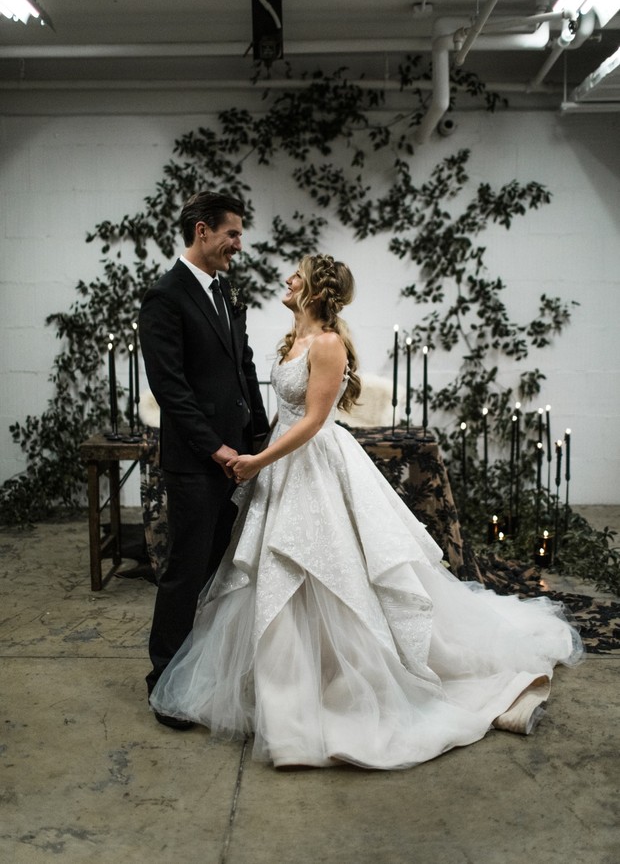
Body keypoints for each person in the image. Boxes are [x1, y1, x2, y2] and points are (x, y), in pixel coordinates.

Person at [150, 253, 582, 768]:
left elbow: (312, 422)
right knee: (271, 573)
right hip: (279, 466)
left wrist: (257, 459)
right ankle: (281, 688)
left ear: (313, 289)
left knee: (328, 568)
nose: (287, 280)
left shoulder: (329, 344)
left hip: (311, 464)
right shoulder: (293, 340)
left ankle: (340, 685)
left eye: (297, 275)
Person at [139, 190, 269, 727]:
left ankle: (204, 668)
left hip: (239, 453)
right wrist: (215, 449)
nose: (239, 244)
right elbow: (170, 389)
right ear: (202, 231)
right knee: (187, 570)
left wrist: (259, 436)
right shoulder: (165, 297)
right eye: (232, 233)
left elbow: (243, 365)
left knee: (222, 568)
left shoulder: (223, 291)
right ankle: (163, 681)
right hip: (197, 462)